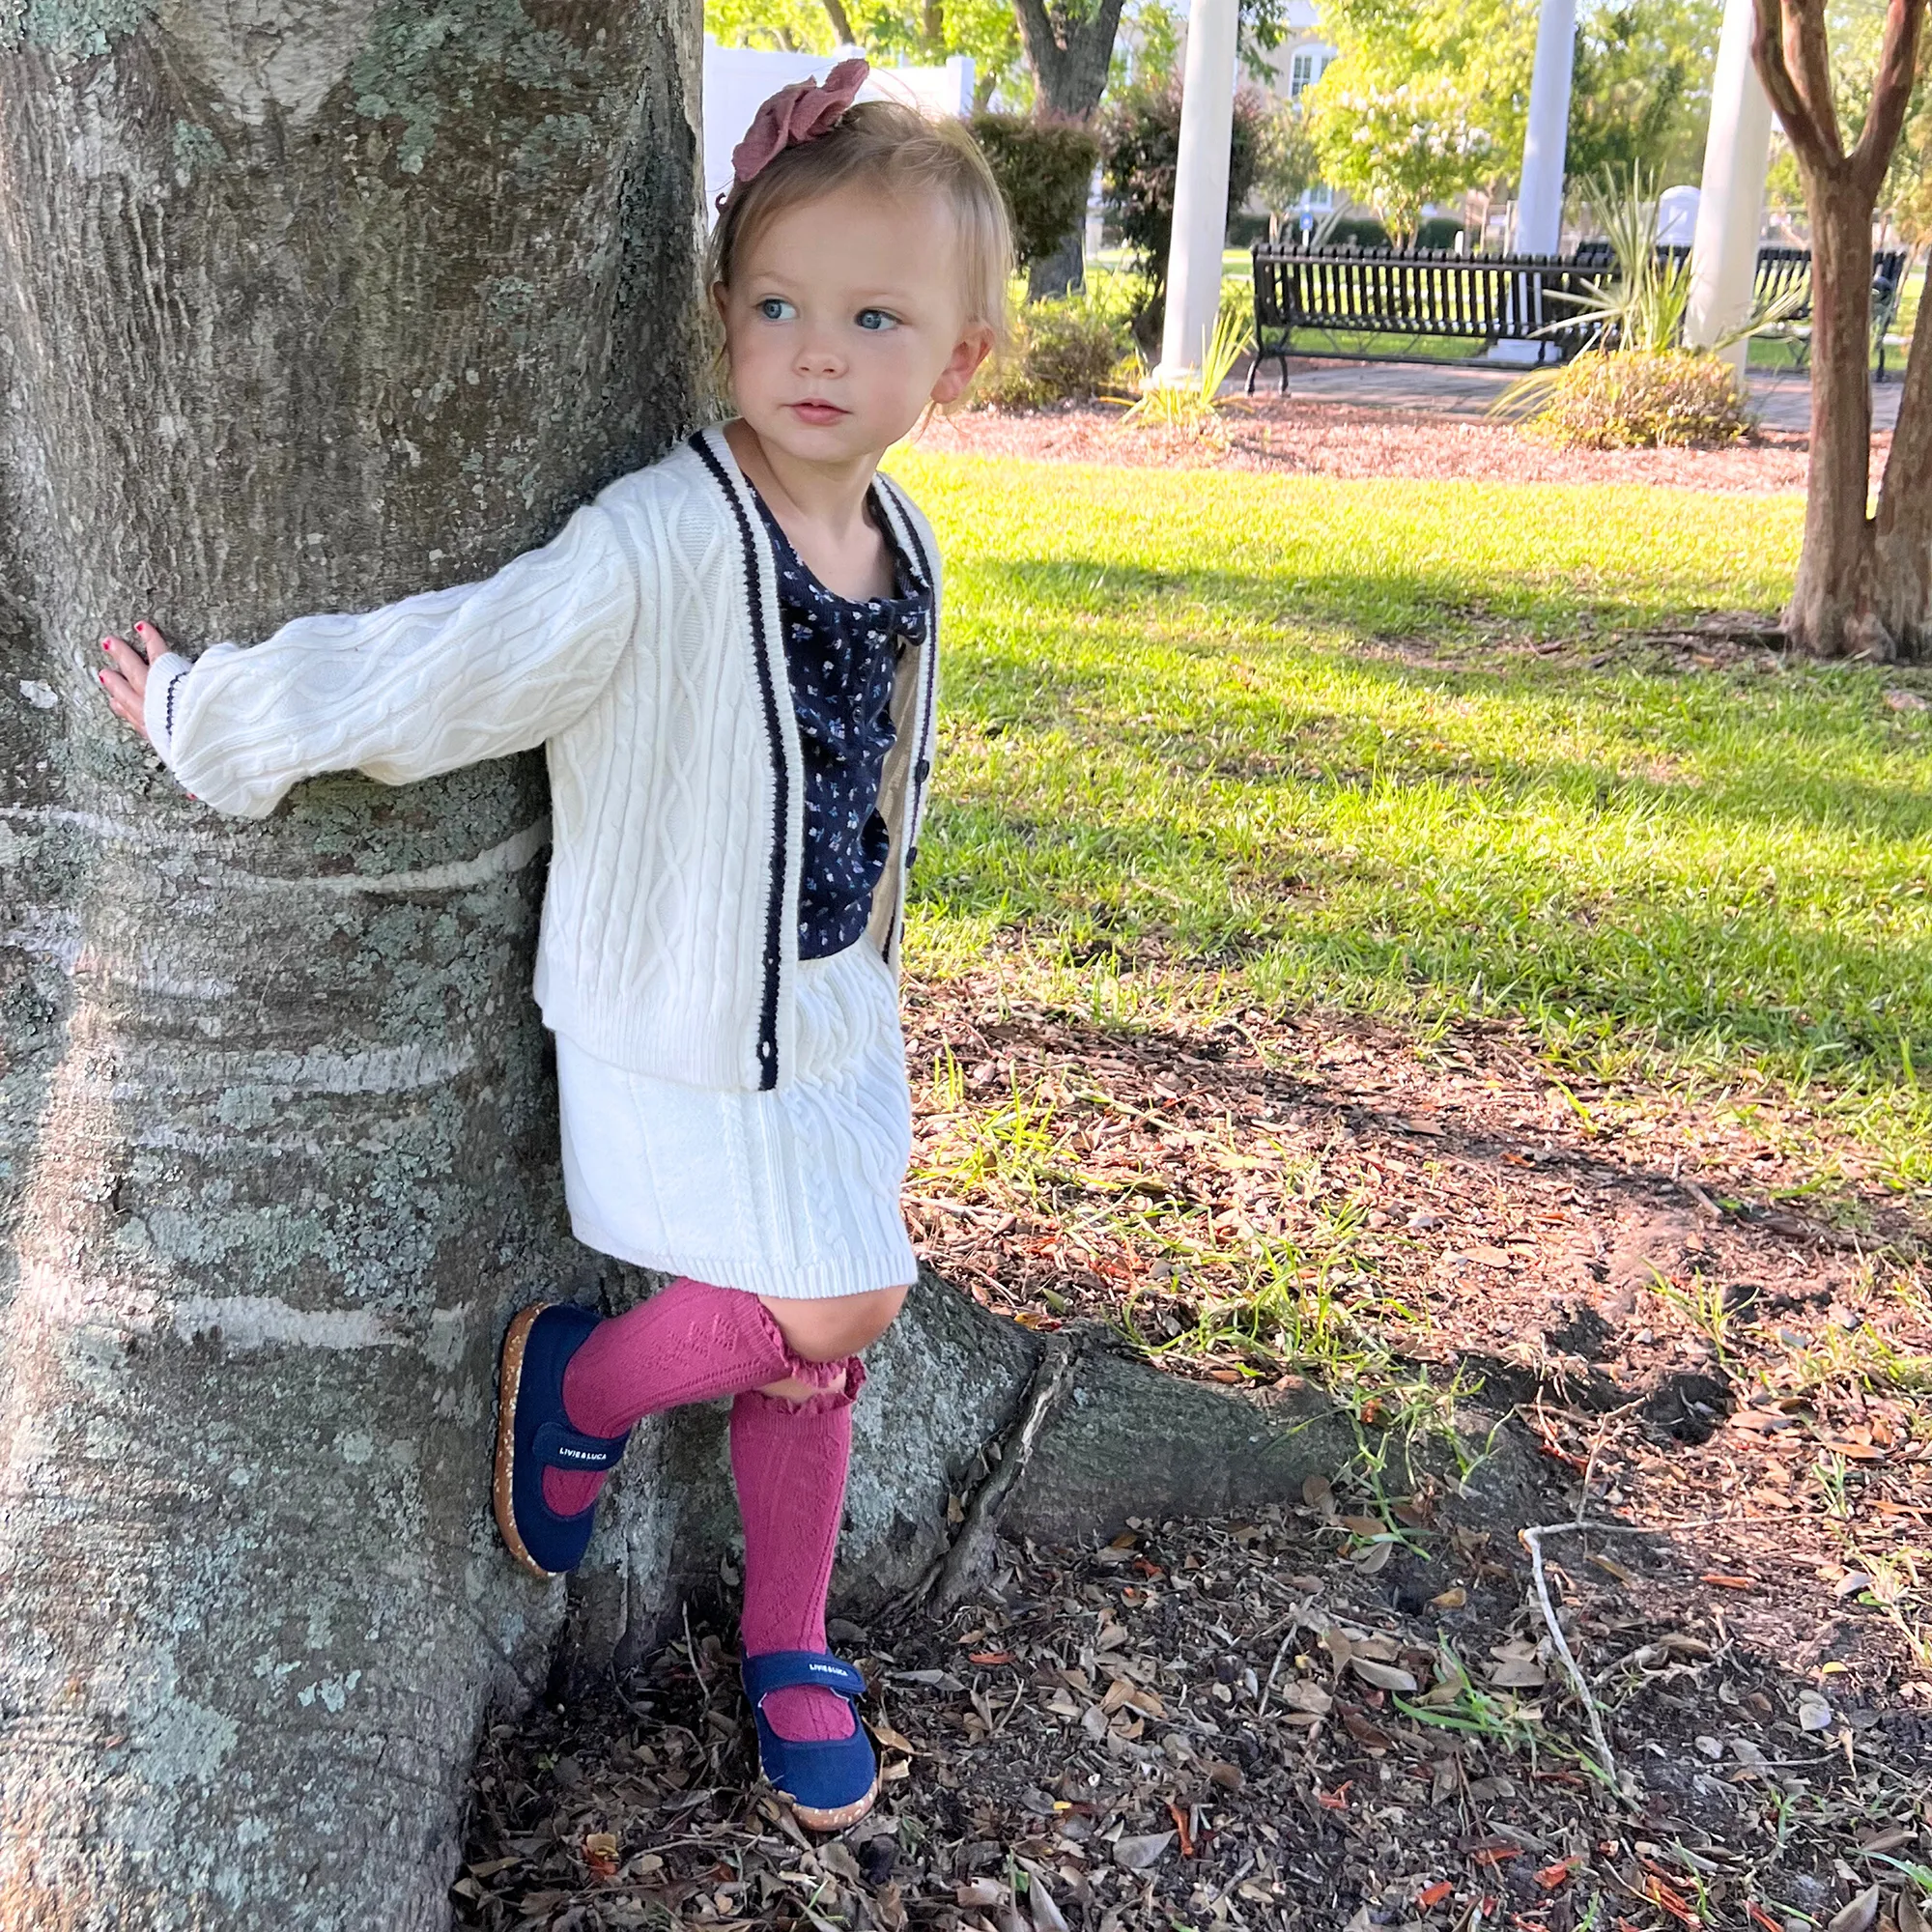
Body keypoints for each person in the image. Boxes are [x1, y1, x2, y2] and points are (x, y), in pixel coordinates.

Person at [95, 62, 1011, 1833]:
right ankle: (581, 1380)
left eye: (873, 315)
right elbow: (450, 662)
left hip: (824, 1018)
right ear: (722, 315)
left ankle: (790, 1637)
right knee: (843, 1294)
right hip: (675, 1028)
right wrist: (220, 710)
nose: (815, 349)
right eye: (773, 305)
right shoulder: (659, 543)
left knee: (825, 1352)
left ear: (956, 365)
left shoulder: (895, 541)